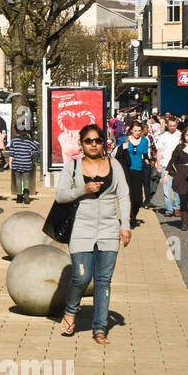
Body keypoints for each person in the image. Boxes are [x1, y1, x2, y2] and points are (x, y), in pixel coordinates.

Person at [56, 123, 131, 345]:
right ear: (82, 144)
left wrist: (125, 225)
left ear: (103, 143)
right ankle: (70, 311)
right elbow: (60, 196)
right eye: (89, 140)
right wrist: (83, 190)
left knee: (103, 281)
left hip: (109, 229)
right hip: (81, 227)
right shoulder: (73, 166)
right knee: (81, 277)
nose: (94, 144)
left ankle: (100, 329)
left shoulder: (114, 165)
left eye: (98, 140)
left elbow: (124, 196)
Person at [115, 119, 150, 228]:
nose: (138, 133)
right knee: (128, 196)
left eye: (139, 131)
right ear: (130, 131)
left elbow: (145, 154)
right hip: (126, 170)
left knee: (138, 199)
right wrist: (122, 147)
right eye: (135, 131)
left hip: (138, 170)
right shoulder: (123, 139)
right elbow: (116, 154)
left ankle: (132, 216)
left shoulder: (144, 141)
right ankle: (131, 220)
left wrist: (147, 160)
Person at [155, 117, 181, 216]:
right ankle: (169, 209)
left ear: (177, 125)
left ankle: (177, 207)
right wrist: (158, 165)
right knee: (166, 189)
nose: (172, 127)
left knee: (177, 188)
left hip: (177, 166)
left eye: (174, 126)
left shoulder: (180, 135)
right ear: (167, 125)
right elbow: (159, 151)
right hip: (165, 165)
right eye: (170, 126)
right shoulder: (163, 136)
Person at [9, 129, 39, 205]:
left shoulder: (14, 140)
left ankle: (19, 197)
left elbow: (11, 152)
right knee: (26, 180)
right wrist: (30, 156)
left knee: (18, 180)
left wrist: (10, 162)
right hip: (26, 162)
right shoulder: (29, 141)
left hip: (17, 163)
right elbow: (36, 150)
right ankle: (26, 193)